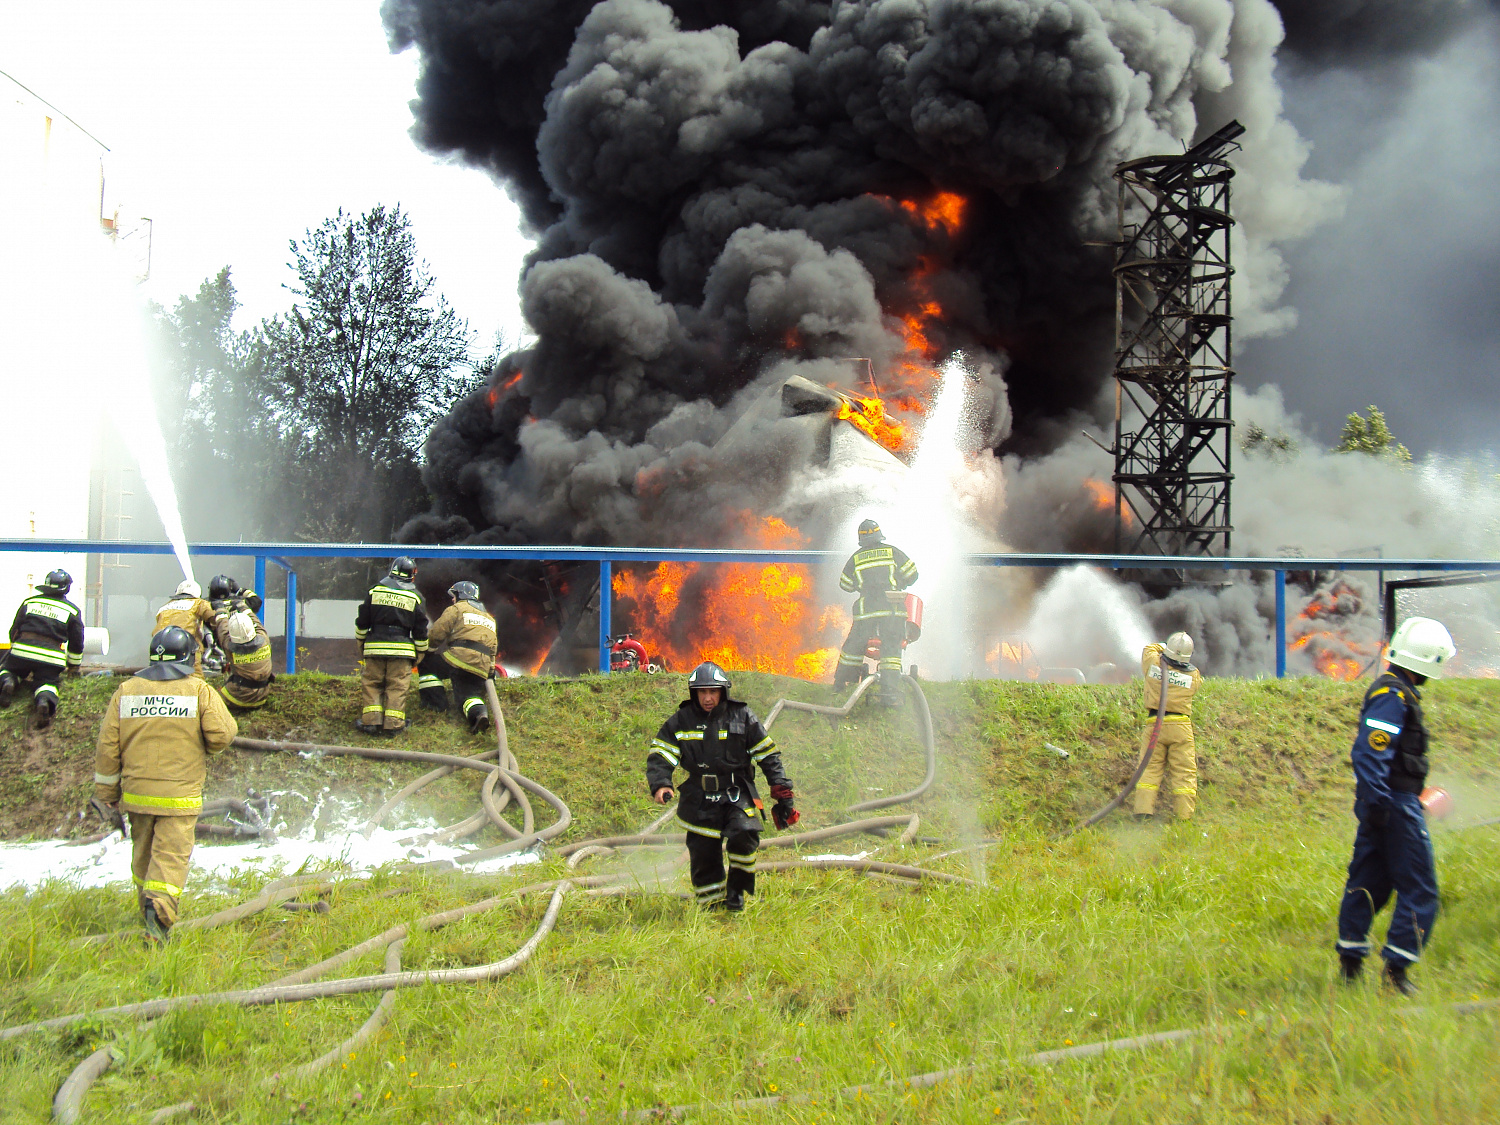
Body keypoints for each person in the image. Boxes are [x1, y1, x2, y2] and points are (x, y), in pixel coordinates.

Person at [93, 626, 238, 942]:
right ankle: (157, 921)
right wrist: (202, 748)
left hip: (137, 796)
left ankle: (145, 910)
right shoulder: (198, 690)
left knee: (143, 856)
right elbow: (223, 734)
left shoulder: (127, 690)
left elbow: (107, 747)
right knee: (170, 859)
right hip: (179, 797)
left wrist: (106, 794)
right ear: (188, 657)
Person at [1336, 616, 1456, 996]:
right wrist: (1382, 805)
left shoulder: (1394, 692)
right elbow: (1371, 753)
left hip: (1385, 803)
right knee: (1421, 891)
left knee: (1369, 884)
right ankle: (1395, 975)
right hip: (1394, 805)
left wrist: (1376, 805)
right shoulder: (1393, 696)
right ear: (1427, 660)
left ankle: (1350, 967)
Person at [646, 661, 798, 912]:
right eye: (702, 692)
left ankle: (736, 895)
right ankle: (711, 908)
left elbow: (768, 756)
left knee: (744, 835)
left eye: (713, 692)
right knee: (704, 853)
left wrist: (781, 791)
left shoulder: (743, 716)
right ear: (694, 693)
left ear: (723, 692)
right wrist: (661, 784)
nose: (707, 698)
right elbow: (661, 753)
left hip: (736, 793)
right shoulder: (682, 720)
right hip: (699, 796)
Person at [834, 519, 918, 704]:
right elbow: (913, 574)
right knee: (891, 648)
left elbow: (845, 584)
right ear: (880, 535)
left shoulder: (856, 558)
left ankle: (842, 684)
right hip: (892, 610)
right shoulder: (892, 552)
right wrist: (900, 583)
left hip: (867, 612)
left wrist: (862, 585)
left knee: (854, 647)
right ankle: (890, 691)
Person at [0, 569, 85, 728]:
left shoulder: (29, 602)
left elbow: (14, 630)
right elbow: (76, 642)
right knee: (47, 683)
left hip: (22, 650)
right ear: (66, 588)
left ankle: (8, 681)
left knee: (9, 670)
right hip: (51, 657)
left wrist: (17, 648)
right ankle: (44, 700)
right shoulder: (72, 611)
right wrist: (74, 667)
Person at [1133, 632, 1204, 820]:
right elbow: (1197, 686)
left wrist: (1164, 646)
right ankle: (1184, 816)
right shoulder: (1193, 675)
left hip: (1154, 724)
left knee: (1149, 769)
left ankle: (1142, 813)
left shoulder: (1152, 663)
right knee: (1184, 772)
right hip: (1180, 727)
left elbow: (1149, 648)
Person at [354, 556, 428, 735]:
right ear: (412, 576)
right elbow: (420, 630)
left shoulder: (375, 591)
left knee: (372, 683)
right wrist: (420, 652)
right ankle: (393, 726)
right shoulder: (416, 597)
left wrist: (362, 642)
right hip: (402, 651)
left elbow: (362, 622)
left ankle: (371, 723)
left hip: (375, 647)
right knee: (397, 686)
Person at [416, 581, 498, 733]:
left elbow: (438, 632)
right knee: (469, 696)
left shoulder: (457, 609)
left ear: (461, 595)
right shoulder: (489, 618)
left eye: (454, 596)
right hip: (481, 666)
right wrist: (490, 673)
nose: (452, 599)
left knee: (427, 664)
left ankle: (436, 705)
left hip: (459, 657)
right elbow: (493, 649)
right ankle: (479, 714)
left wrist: (428, 649)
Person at [214, 609, 274, 710]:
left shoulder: (230, 649)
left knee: (208, 699)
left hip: (236, 697)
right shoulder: (264, 639)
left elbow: (223, 633)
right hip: (262, 695)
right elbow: (258, 625)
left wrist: (221, 613)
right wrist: (243, 606)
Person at [154, 580, 217, 675]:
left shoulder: (164, 607)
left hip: (160, 649)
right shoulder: (199, 603)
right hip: (186, 648)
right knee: (195, 680)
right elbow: (213, 618)